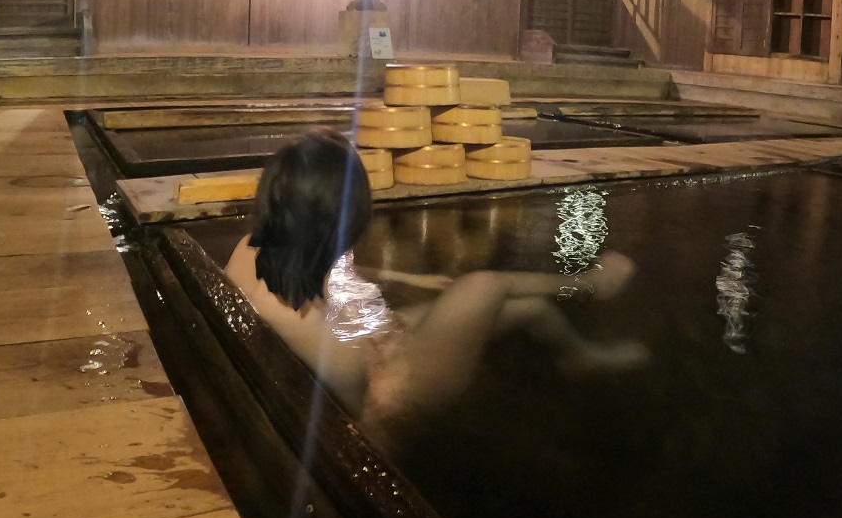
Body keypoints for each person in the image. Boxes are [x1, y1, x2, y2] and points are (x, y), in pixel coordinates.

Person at [225, 129, 648, 432]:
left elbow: (331, 272)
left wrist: (411, 278)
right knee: (482, 287)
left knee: (526, 307)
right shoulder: (307, 331)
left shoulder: (255, 247)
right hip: (402, 386)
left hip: (371, 344)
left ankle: (580, 355)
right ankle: (594, 282)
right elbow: (371, 415)